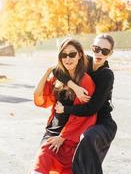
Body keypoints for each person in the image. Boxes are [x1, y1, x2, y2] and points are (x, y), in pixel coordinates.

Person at [54, 33, 117, 174]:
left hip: (102, 123)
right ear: (92, 48)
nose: (99, 53)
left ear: (110, 53)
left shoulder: (106, 75)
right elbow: (57, 70)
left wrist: (65, 109)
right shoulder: (84, 62)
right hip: (83, 120)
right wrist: (75, 87)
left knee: (87, 139)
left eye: (105, 51)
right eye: (96, 48)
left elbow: (91, 108)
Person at [32, 38, 97, 174]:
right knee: (42, 163)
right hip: (52, 130)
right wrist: (48, 71)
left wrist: (62, 137)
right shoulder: (58, 79)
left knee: (53, 165)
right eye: (63, 55)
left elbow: (84, 115)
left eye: (72, 54)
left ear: (80, 55)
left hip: (69, 136)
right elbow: (38, 95)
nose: (68, 58)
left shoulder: (85, 81)